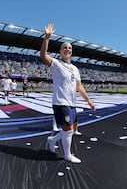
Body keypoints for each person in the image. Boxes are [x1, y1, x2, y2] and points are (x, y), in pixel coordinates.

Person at [41, 23, 96, 163]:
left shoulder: (75, 69)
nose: (67, 49)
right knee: (69, 130)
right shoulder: (57, 64)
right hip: (61, 102)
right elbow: (43, 55)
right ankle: (67, 155)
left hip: (72, 103)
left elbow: (79, 86)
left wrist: (88, 101)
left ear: (72, 52)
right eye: (65, 47)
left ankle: (52, 140)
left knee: (68, 130)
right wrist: (47, 37)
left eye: (70, 48)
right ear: (60, 51)